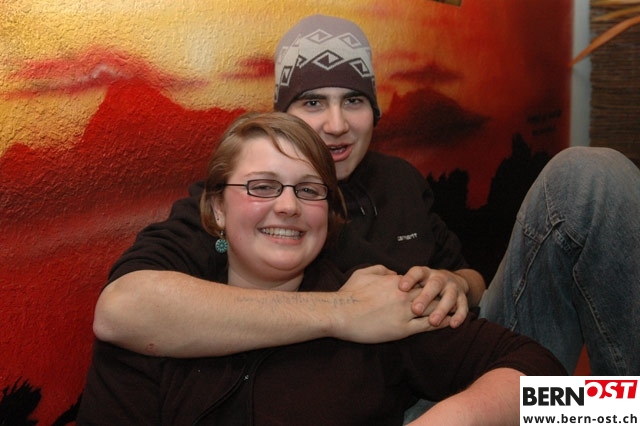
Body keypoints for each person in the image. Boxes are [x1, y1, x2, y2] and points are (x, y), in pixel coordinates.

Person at [92, 14, 640, 378]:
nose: (336, 125)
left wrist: (456, 284)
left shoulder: (399, 180)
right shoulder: (245, 200)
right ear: (283, 115)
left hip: (477, 370)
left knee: (590, 176)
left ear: (374, 110)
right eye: (312, 102)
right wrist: (340, 312)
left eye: (353, 101)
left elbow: (470, 277)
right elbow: (121, 311)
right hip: (390, 401)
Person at [77, 112, 566, 425]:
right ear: (217, 208)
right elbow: (119, 314)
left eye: (309, 190)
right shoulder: (161, 320)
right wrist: (339, 312)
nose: (289, 206)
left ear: (328, 216)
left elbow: (578, 399)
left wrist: (451, 419)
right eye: (262, 186)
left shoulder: (380, 304)